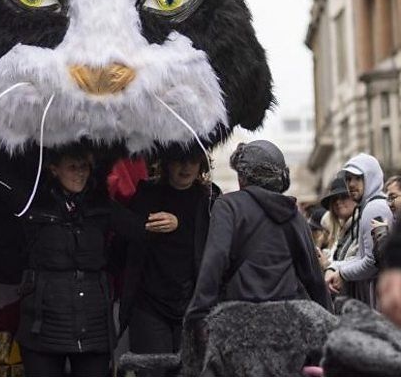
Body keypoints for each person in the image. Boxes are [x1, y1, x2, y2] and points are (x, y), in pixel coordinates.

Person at [0, 146, 178, 377]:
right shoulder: (32, 204)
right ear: (54, 169)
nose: (80, 173)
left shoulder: (100, 204)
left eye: (84, 167)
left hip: (93, 323)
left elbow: (139, 229)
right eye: (72, 167)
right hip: (43, 323)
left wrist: (170, 223)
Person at [185, 140, 330, 329]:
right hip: (286, 328)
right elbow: (314, 278)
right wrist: (330, 323)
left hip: (238, 325)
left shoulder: (228, 206)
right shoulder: (294, 214)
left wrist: (196, 315)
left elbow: (214, 262)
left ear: (243, 177)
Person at [120, 147, 221, 359]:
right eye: (179, 159)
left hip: (194, 305)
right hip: (149, 304)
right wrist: (146, 226)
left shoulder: (210, 197)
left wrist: (180, 224)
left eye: (192, 160)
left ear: (201, 164)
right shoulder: (147, 193)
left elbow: (217, 246)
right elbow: (126, 238)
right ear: (167, 162)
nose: (186, 167)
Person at [325, 153, 394, 307]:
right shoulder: (369, 207)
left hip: (380, 303)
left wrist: (341, 273)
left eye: (357, 178)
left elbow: (372, 263)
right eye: (348, 179)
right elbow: (361, 257)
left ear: (370, 177)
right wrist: (335, 267)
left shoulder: (374, 208)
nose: (351, 184)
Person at [320, 175, 358, 272]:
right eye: (334, 199)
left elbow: (358, 261)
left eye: (344, 196)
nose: (338, 202)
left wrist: (327, 264)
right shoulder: (343, 231)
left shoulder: (360, 226)